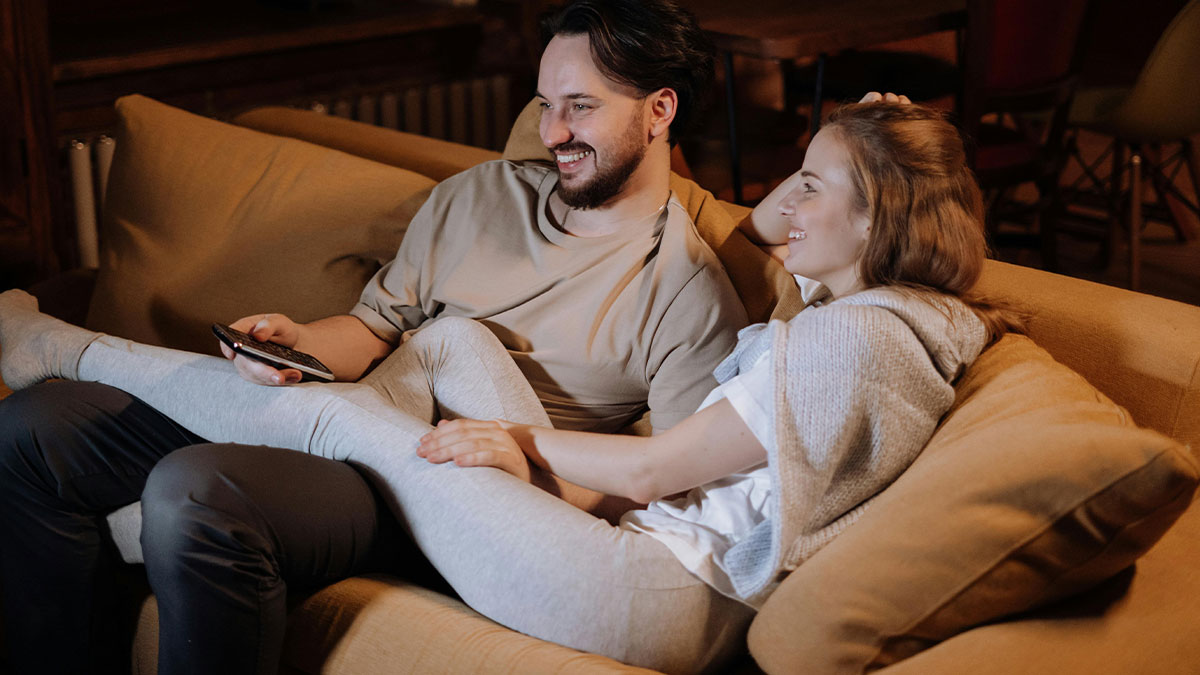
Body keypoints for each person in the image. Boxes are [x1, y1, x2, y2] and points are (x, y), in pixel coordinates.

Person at [0, 101, 1013, 672]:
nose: (789, 206)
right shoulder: (866, 315)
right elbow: (763, 232)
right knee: (453, 338)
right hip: (648, 552)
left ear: (876, 219)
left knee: (334, 417)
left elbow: (658, 467)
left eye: (815, 185)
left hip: (657, 595)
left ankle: (56, 348)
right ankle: (310, 430)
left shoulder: (860, 339)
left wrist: (519, 446)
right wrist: (859, 133)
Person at [0, 1, 749, 673]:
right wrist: (297, 343)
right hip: (361, 402)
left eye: (580, 107)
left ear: (659, 110)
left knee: (197, 490)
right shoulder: (478, 197)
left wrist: (525, 463)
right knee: (35, 427)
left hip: (440, 489)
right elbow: (373, 328)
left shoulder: (687, 294)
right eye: (545, 104)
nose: (553, 132)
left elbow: (665, 492)